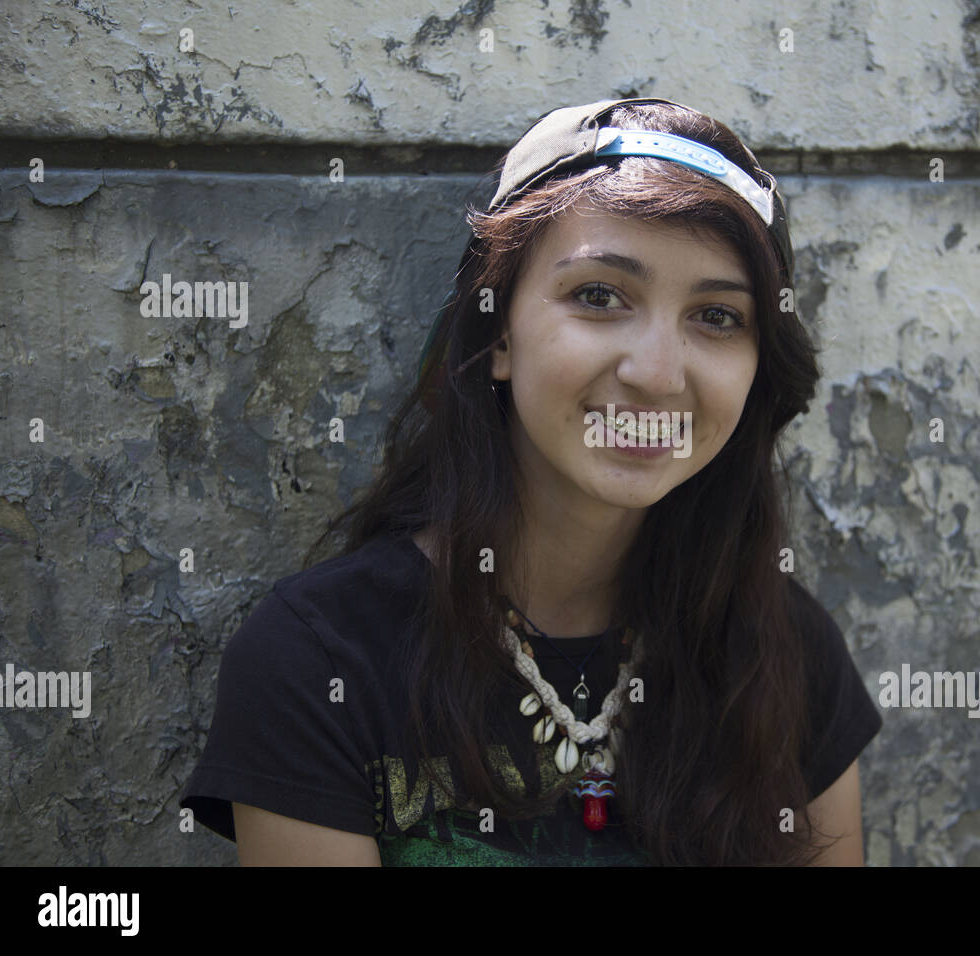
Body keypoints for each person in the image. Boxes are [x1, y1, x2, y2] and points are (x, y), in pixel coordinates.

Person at [179, 97, 883, 866]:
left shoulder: (783, 652)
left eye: (716, 316)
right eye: (599, 296)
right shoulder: (320, 662)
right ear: (500, 334)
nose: (655, 373)